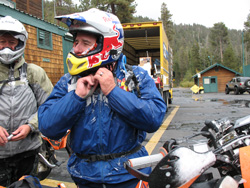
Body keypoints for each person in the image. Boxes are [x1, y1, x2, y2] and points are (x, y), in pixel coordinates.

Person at [38, 8, 166, 188]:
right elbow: (47, 126)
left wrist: (113, 92)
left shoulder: (135, 76)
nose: (76, 48)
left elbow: (154, 118)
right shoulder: (69, 82)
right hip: (85, 178)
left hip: (129, 175)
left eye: (84, 42)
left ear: (106, 44)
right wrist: (76, 97)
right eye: (75, 42)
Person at [0, 16, 53, 186]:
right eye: (2, 41)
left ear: (20, 43)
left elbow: (50, 106)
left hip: (28, 152)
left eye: (11, 41)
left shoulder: (34, 73)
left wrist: (31, 126)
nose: (7, 46)